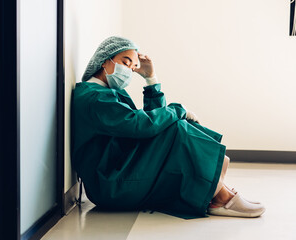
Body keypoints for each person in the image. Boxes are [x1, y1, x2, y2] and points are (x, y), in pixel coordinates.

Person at [70, 36, 265, 219]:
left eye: (133, 65)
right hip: (110, 185)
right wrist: (178, 109)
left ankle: (218, 191)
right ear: (105, 61)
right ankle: (220, 196)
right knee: (176, 128)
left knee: (175, 124)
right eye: (125, 62)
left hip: (121, 171)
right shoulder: (94, 97)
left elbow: (152, 125)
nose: (129, 69)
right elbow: (141, 126)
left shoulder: (107, 93)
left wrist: (150, 78)